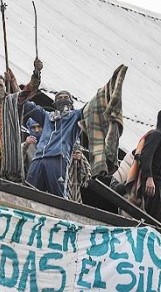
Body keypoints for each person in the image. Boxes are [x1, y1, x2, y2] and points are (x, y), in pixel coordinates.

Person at [24, 65, 127, 198]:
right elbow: (25, 103)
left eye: (65, 97)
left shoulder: (75, 116)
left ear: (71, 103)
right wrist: (33, 75)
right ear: (54, 104)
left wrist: (110, 85)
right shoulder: (46, 116)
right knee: (28, 191)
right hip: (38, 158)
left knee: (58, 196)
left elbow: (93, 104)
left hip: (57, 158)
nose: (62, 99)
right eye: (59, 98)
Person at [126, 108, 161, 232]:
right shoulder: (156, 135)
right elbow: (146, 156)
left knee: (160, 223)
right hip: (155, 186)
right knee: (154, 223)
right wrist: (149, 178)